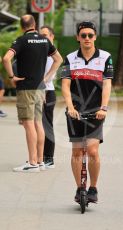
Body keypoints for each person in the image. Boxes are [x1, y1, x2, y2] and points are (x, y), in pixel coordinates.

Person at [3, 14, 63, 172]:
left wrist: (12, 77)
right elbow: (59, 59)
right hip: (41, 88)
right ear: (35, 24)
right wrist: (47, 77)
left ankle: (32, 162)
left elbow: (6, 58)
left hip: (26, 88)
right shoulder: (45, 41)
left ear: (22, 27)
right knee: (38, 123)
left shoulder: (21, 41)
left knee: (28, 124)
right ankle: (40, 161)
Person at [61, 21, 113, 203]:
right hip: (74, 112)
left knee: (91, 150)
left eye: (90, 35)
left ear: (95, 37)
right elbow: (65, 85)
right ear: (78, 38)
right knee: (76, 153)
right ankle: (79, 188)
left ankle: (93, 188)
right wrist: (70, 107)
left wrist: (104, 107)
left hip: (96, 111)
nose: (87, 38)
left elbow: (107, 84)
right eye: (83, 35)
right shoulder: (69, 58)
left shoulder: (105, 57)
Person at [40, 25, 56, 169]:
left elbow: (51, 75)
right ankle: (39, 157)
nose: (42, 37)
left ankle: (49, 158)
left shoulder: (52, 54)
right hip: (40, 92)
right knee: (39, 125)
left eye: (45, 35)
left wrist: (43, 84)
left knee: (47, 125)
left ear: (52, 37)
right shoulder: (43, 51)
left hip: (47, 93)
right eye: (41, 35)